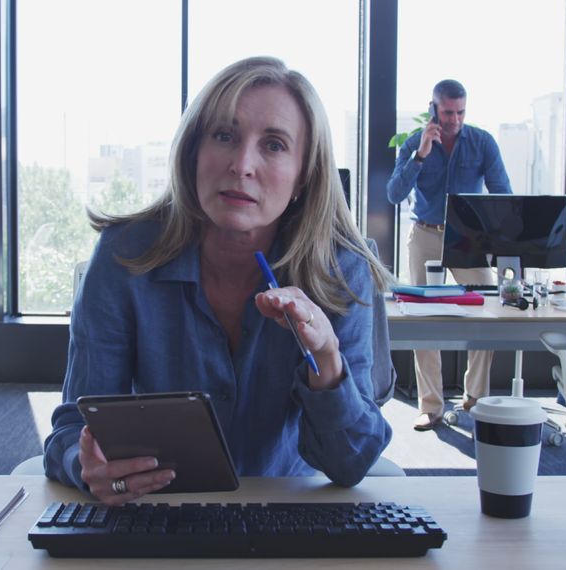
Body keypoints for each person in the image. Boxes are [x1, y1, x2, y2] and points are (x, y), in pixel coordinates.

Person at [43, 56, 394, 504]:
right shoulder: (124, 255)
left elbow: (350, 463)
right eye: (224, 136)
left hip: (287, 516)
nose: (241, 165)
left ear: (303, 177)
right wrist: (86, 464)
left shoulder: (341, 267)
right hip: (160, 510)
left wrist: (325, 357)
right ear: (193, 151)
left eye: (274, 145)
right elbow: (74, 428)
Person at [386, 79, 512, 431]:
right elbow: (394, 194)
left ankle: (475, 398)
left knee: (486, 310)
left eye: (460, 112)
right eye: (447, 112)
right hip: (425, 234)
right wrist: (421, 155)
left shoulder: (482, 142)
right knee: (421, 318)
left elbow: (502, 193)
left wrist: (496, 239)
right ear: (433, 109)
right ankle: (431, 405)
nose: (454, 119)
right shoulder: (415, 144)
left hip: (468, 238)